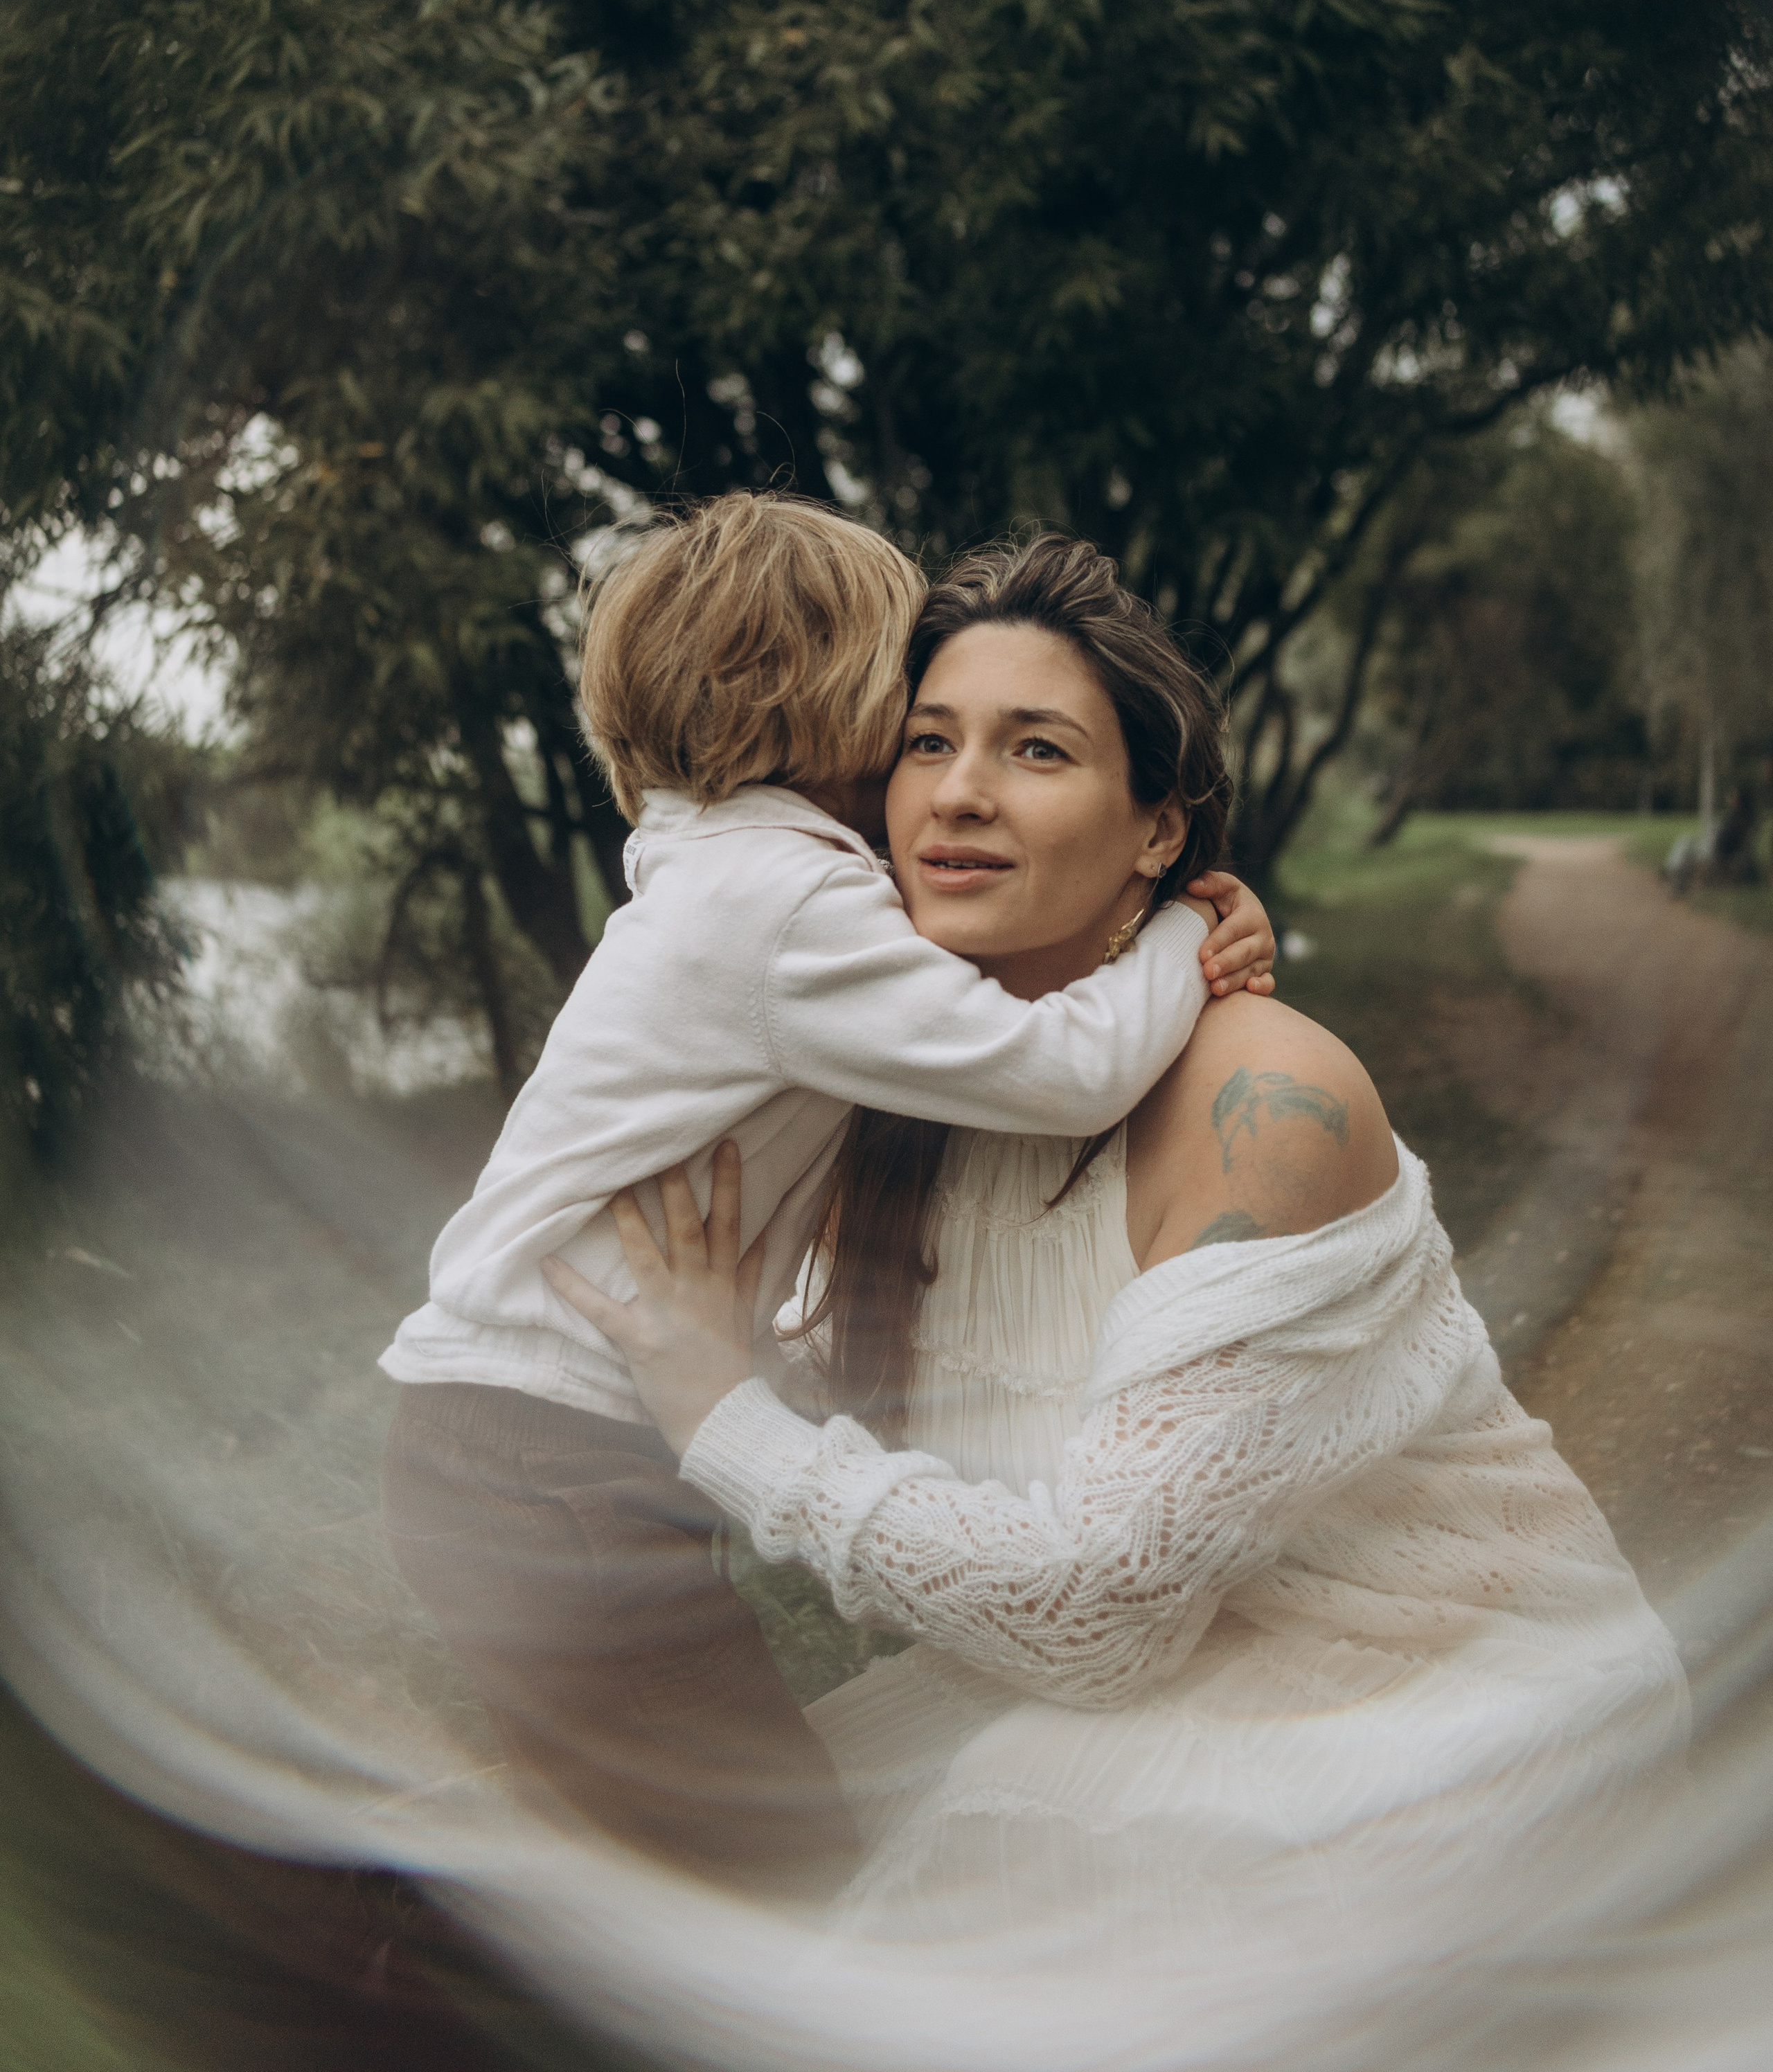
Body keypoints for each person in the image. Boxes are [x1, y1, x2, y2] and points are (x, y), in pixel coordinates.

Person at [546, 533, 1686, 1971]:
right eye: (923, 744)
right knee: (677, 1868)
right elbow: (845, 1366)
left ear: (1158, 828)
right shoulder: (872, 1099)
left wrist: (722, 1421)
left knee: (960, 1943)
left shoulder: (1260, 1101)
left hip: (1437, 1697)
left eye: (1035, 750)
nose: (958, 792)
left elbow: (1097, 1618)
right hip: (1125, 1663)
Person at [379, 495, 1275, 1899]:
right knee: (770, 1871)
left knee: (674, 1835)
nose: (929, 750)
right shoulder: (790, 906)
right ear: (826, 703)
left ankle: (444, 1926)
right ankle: (401, 1958)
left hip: (516, 1447)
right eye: (910, 714)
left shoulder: (714, 869)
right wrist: (1186, 930)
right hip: (550, 1460)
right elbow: (1064, 1071)